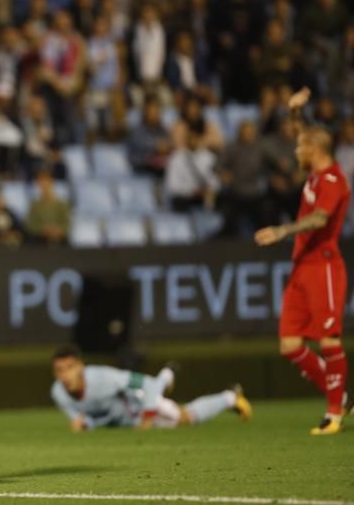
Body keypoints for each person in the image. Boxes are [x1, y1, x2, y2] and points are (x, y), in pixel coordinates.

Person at [255, 88, 351, 435]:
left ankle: (334, 414)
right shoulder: (315, 169)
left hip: (324, 266)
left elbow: (320, 219)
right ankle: (339, 394)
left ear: (314, 151)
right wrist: (295, 113)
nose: (296, 149)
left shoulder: (334, 182)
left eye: (300, 146)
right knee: (290, 344)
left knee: (329, 341)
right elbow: (305, 133)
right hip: (302, 267)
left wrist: (283, 231)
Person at [51, 346, 251, 432]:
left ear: (81, 366)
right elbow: (84, 420)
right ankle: (167, 374)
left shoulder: (106, 377)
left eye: (70, 368)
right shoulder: (58, 393)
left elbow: (147, 384)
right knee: (174, 409)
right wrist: (84, 424)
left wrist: (148, 416)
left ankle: (230, 397)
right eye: (60, 370)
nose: (65, 375)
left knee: (184, 418)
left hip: (140, 401)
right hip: (127, 419)